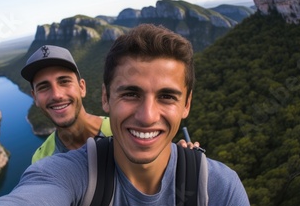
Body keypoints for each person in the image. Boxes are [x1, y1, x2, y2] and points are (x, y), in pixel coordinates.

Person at [0, 24, 253, 206]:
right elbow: (31, 203)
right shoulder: (49, 163)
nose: (147, 116)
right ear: (105, 97)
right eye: (130, 93)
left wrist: (187, 164)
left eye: (166, 96)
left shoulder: (218, 190)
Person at [21, 45, 198, 163]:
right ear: (35, 97)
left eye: (64, 81)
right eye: (44, 87)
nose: (57, 95)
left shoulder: (127, 130)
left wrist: (180, 157)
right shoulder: (41, 159)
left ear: (82, 87)